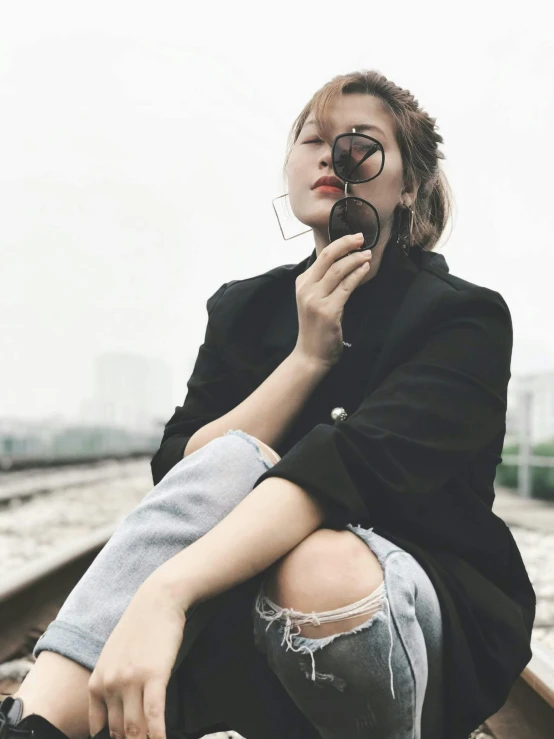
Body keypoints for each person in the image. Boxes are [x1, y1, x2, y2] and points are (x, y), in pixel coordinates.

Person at [0, 69, 536, 739]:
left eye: (359, 145)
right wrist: (306, 359)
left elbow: (354, 465)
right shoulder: (244, 309)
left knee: (318, 563)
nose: (329, 156)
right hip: (238, 607)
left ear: (408, 185)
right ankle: (30, 722)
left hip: (401, 613)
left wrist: (166, 591)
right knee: (227, 458)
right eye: (313, 138)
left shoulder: (461, 318)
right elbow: (183, 474)